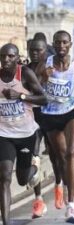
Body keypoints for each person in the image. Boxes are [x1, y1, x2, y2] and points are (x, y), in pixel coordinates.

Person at [37, 30, 74, 224]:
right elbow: (33, 85)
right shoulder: (46, 64)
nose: (61, 46)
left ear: (70, 44)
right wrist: (43, 77)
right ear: (54, 43)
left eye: (64, 43)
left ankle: (71, 207)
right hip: (51, 114)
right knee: (59, 157)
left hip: (71, 111)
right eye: (58, 42)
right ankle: (61, 183)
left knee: (71, 152)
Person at [0, 43, 47, 225]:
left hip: (26, 134)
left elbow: (43, 99)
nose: (6, 60)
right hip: (4, 134)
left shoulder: (25, 74)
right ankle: (6, 221)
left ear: (17, 57)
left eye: (10, 56)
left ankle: (34, 168)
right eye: (3, 56)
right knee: (4, 176)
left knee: (22, 180)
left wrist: (20, 96)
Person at [28, 38, 64, 211]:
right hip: (31, 117)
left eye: (39, 50)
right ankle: (38, 199)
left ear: (45, 52)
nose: (35, 53)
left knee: (55, 155)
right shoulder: (25, 70)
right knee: (33, 156)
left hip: (49, 114)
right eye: (32, 50)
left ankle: (58, 185)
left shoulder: (53, 69)